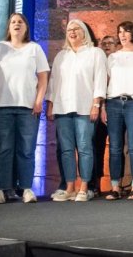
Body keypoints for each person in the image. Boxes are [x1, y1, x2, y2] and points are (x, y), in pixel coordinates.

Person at [0, 13, 50, 204]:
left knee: (26, 149)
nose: (16, 24)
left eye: (20, 22)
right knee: (3, 149)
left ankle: (26, 187)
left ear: (26, 27)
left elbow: (42, 77)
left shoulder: (34, 48)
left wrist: (39, 101)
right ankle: (1, 188)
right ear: (8, 27)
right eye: (13, 22)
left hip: (28, 107)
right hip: (2, 105)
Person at [46, 19, 108, 202]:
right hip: (62, 107)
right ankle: (70, 187)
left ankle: (84, 187)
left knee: (84, 148)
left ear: (84, 32)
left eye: (76, 29)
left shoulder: (95, 53)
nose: (72, 32)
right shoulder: (61, 56)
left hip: (84, 108)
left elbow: (100, 79)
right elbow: (53, 82)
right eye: (69, 30)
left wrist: (96, 104)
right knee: (66, 149)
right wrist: (50, 104)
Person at [103, 22, 133, 200]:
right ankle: (115, 186)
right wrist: (102, 107)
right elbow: (105, 83)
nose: (122, 35)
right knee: (115, 147)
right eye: (120, 32)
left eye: (126, 32)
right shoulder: (112, 58)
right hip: (114, 103)